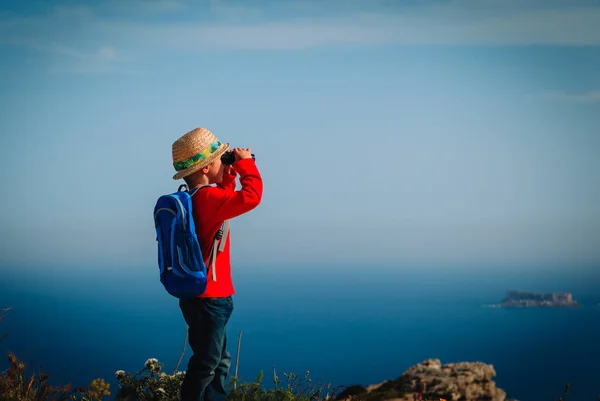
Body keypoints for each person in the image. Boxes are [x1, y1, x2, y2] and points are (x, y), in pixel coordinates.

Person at [170, 127, 263, 401]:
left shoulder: (197, 198)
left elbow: (223, 197)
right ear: (208, 167)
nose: (225, 163)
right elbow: (251, 197)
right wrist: (245, 164)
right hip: (210, 299)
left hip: (200, 296)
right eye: (221, 159)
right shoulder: (209, 200)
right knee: (208, 364)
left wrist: (229, 171)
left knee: (217, 362)